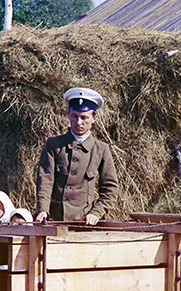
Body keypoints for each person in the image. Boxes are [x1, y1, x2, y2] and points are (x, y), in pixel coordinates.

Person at [35, 87, 119, 226]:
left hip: (84, 221)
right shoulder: (54, 145)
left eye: (84, 117)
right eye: (74, 116)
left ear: (94, 118)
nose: (79, 122)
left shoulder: (101, 149)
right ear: (68, 115)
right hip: (54, 220)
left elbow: (110, 189)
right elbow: (45, 180)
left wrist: (96, 213)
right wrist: (43, 210)